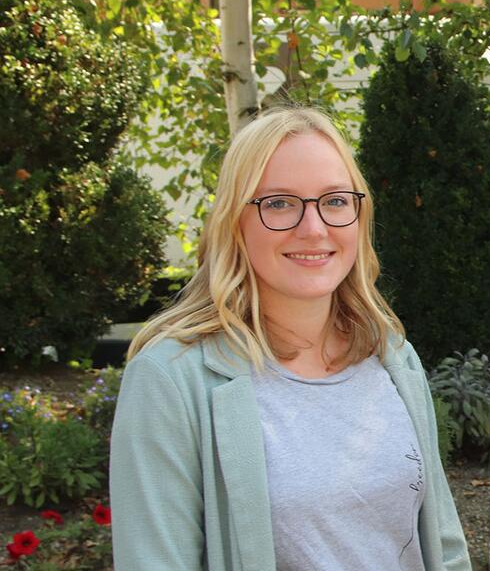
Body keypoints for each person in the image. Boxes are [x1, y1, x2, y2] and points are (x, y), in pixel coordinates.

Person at [110, 107, 471, 571]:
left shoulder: (392, 355)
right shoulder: (170, 381)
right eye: (279, 203)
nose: (314, 228)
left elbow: (443, 544)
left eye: (335, 201)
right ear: (234, 222)